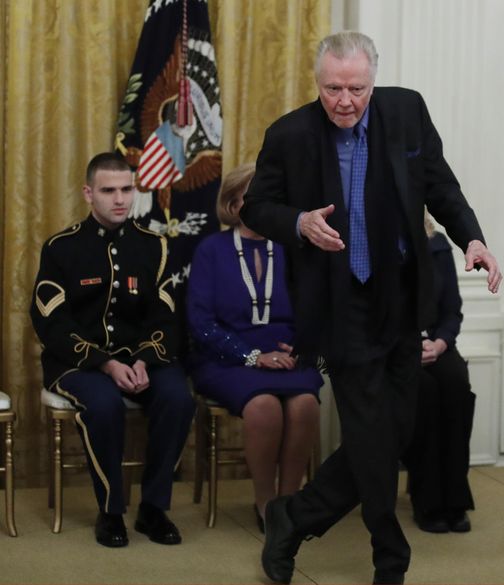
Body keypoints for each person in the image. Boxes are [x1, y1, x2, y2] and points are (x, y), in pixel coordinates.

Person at [240, 31, 502, 585]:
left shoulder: (406, 112)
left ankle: (294, 516)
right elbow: (257, 207)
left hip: (401, 296)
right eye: (332, 89)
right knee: (369, 433)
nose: (344, 101)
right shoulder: (290, 134)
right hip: (340, 303)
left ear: (373, 82)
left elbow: (440, 184)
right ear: (318, 83)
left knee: (394, 431)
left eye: (356, 89)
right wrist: (298, 222)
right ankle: (391, 558)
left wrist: (472, 238)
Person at [30, 152, 195, 547]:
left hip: (142, 358)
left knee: (178, 397)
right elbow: (51, 322)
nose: (120, 199)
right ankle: (110, 510)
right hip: (78, 362)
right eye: (108, 191)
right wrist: (104, 363)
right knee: (104, 405)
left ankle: (153, 509)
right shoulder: (61, 248)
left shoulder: (155, 247)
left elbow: (167, 317)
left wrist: (146, 359)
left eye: (126, 189)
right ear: (89, 193)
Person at [186, 163, 323, 532]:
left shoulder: (294, 248)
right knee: (264, 407)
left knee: (305, 404)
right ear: (233, 204)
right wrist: (251, 356)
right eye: (256, 195)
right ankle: (265, 503)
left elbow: (315, 310)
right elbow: (200, 322)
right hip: (226, 357)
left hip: (287, 356)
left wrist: (301, 346)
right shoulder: (211, 250)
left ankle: (288, 502)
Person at [401, 214, 476, 534]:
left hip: (436, 344)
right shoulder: (375, 243)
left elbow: (452, 311)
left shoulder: (438, 245)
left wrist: (441, 343)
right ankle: (427, 500)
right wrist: (407, 346)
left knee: (456, 385)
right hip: (395, 349)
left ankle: (455, 499)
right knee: (425, 393)